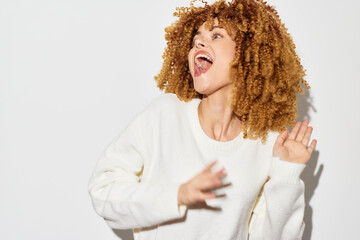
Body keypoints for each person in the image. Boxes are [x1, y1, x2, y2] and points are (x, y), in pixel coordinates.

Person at [88, 0, 317, 239]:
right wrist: (178, 195)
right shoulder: (165, 116)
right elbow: (103, 192)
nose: (198, 41)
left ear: (248, 53)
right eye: (196, 37)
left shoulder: (265, 143)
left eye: (217, 35)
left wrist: (286, 174)